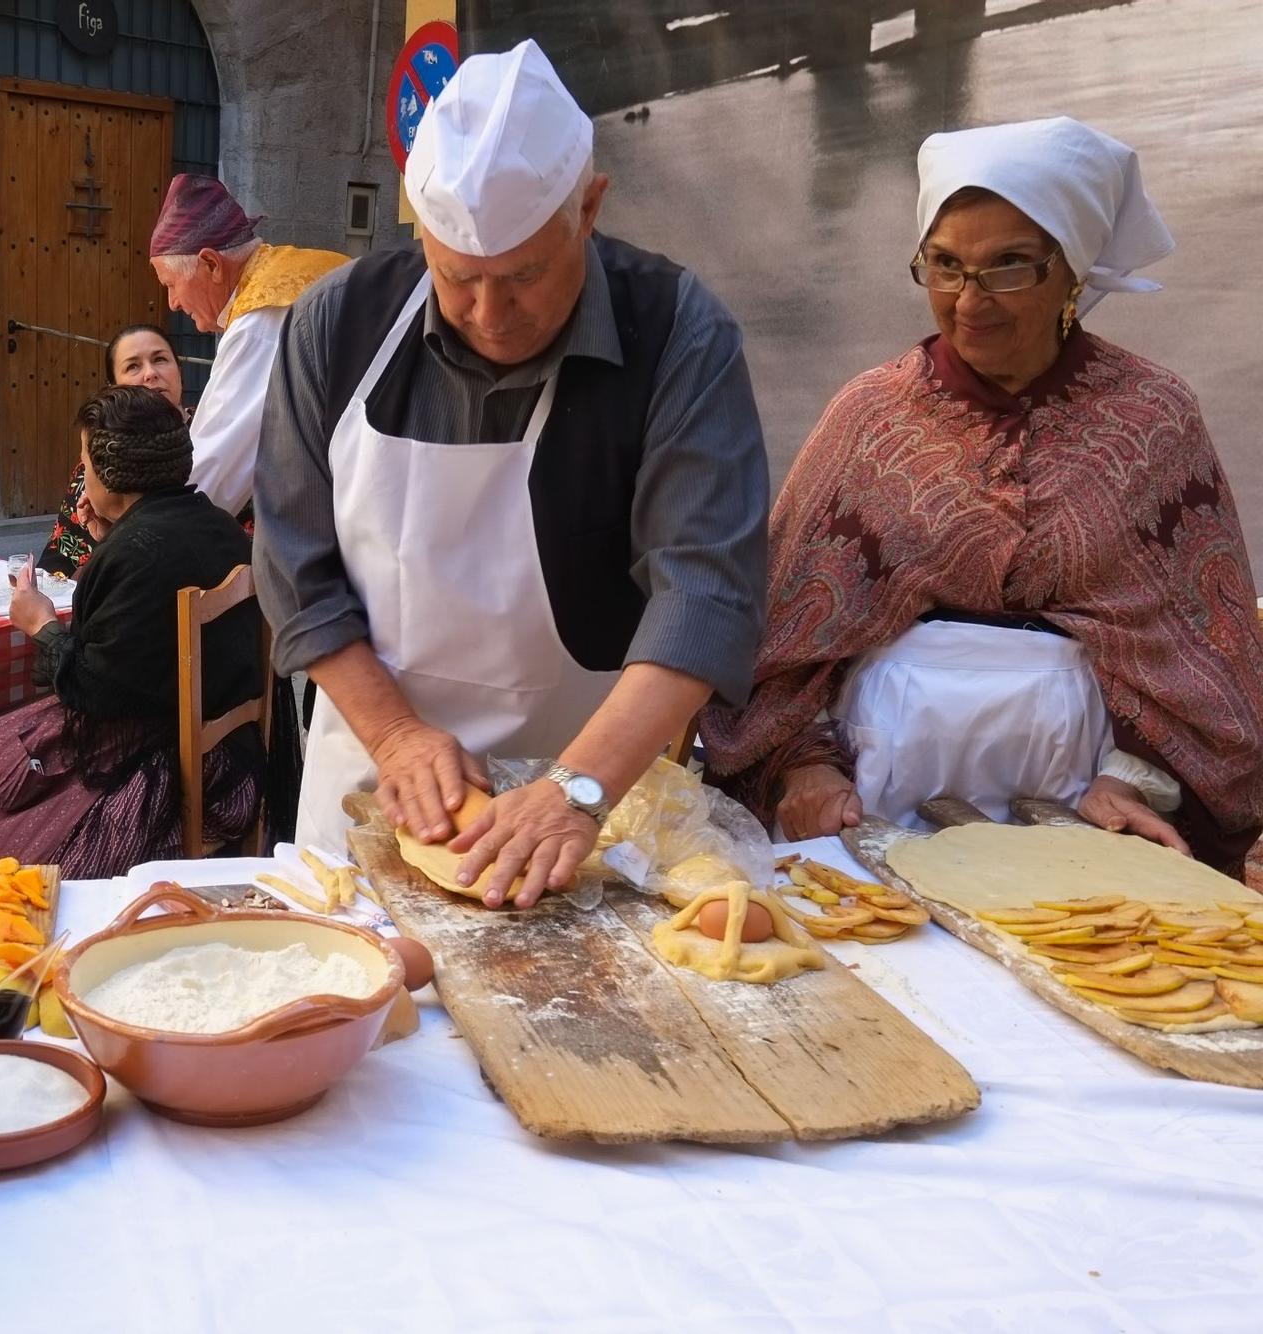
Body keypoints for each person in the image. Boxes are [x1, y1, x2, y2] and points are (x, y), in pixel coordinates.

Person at [254, 41, 769, 908]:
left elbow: (707, 593)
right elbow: (297, 572)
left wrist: (576, 789)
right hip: (375, 779)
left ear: (590, 208)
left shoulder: (677, 333)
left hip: (590, 802)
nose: (491, 315)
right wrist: (398, 737)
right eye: (458, 278)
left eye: (525, 275)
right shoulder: (334, 326)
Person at [702, 118, 1263, 874]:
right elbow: (777, 641)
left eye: (1008, 267)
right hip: (876, 798)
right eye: (944, 265)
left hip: (1089, 805)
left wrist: (1135, 782)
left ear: (1073, 270)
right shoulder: (871, 415)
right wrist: (804, 767)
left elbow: (1211, 651)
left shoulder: (1154, 416)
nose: (969, 301)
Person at [0, 386, 262, 880]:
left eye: (85, 461)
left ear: (109, 474)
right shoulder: (217, 525)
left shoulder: (136, 554)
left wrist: (41, 623)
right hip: (229, 753)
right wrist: (109, 540)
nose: (81, 475)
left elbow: (92, 689)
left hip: (166, 770)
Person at [149, 174, 348, 516]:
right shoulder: (300, 269)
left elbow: (210, 474)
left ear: (211, 263)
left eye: (171, 284)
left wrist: (150, 528)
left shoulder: (263, 317)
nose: (172, 303)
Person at [38, 323, 186, 576]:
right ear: (113, 387)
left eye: (160, 359)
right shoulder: (102, 451)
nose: (150, 374)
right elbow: (61, 555)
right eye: (133, 366)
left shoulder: (216, 437)